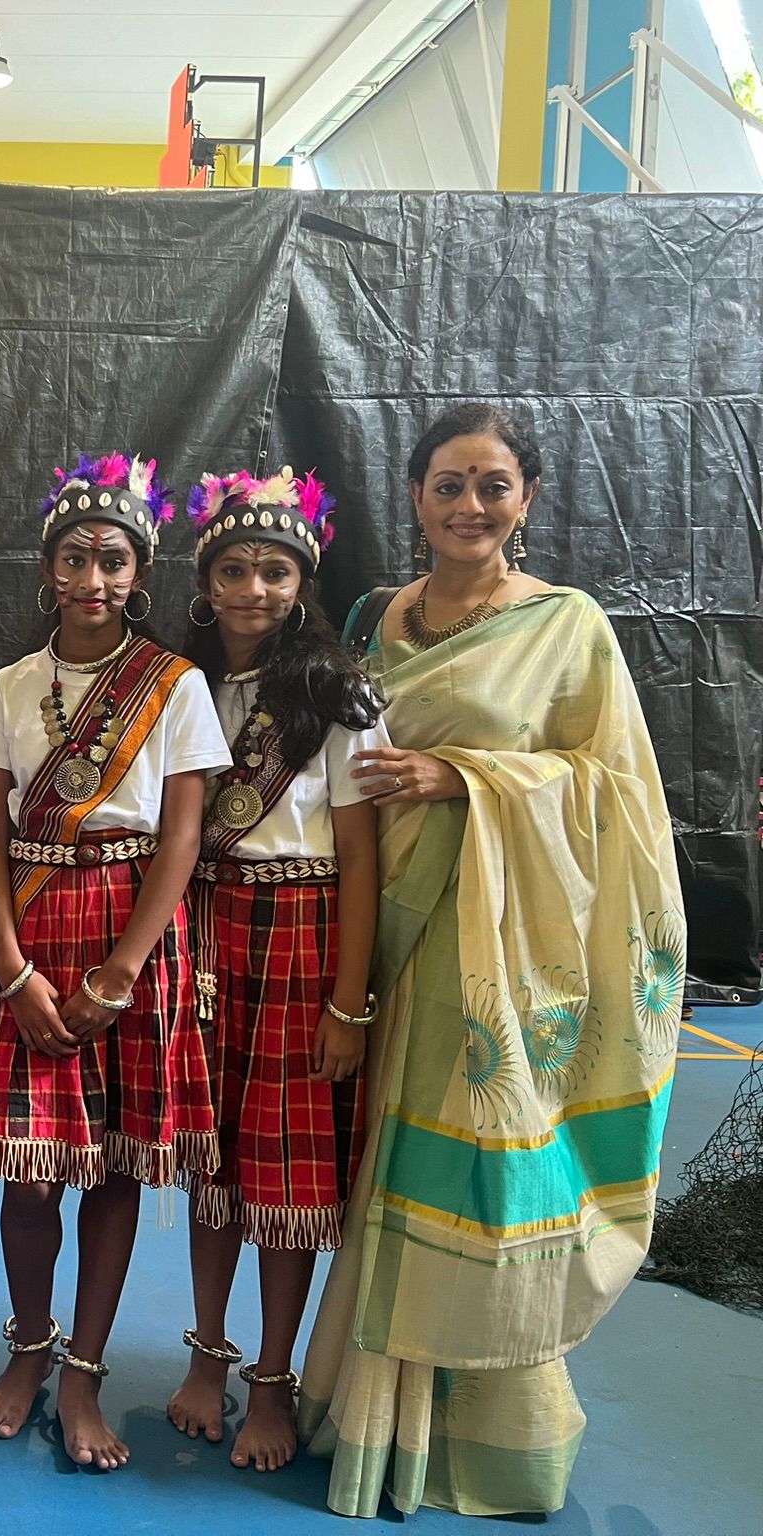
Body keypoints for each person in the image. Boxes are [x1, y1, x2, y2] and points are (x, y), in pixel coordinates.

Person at [298, 404, 685, 1517]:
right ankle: (370, 1412)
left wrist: (465, 779)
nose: (469, 506)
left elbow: (617, 789)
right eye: (448, 485)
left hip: (496, 951)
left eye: (492, 485)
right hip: (383, 932)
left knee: (484, 1163)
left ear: (528, 498)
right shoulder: (373, 619)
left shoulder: (566, 626)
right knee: (384, 1164)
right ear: (415, 497)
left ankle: (485, 1432)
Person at [0, 453, 229, 1470]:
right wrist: (9, 970)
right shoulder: (5, 688)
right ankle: (28, 1347)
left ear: (139, 572)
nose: (92, 578)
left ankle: (83, 1374)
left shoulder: (176, 687)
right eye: (73, 558)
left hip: (131, 934)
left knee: (113, 1165)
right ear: (46, 569)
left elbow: (182, 837)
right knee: (31, 1175)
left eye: (112, 560)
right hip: (30, 930)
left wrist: (118, 976)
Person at [160, 467, 388, 1473]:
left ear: (301, 585)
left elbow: (362, 858)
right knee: (213, 1164)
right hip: (207, 936)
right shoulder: (180, 686)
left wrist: (349, 1003)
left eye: (274, 572)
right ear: (205, 583)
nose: (252, 590)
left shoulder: (337, 695)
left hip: (303, 934)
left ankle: (269, 1377)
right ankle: (205, 1354)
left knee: (287, 1176)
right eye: (233, 571)